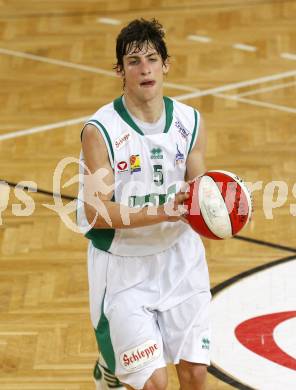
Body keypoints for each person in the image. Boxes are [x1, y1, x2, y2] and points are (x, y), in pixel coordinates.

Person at [77, 18, 211, 390]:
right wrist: (164, 212)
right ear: (120, 70)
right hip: (124, 269)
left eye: (152, 58)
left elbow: (199, 190)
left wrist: (221, 212)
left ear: (166, 65)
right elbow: (96, 213)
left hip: (180, 259)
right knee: (155, 384)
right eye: (133, 61)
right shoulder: (100, 131)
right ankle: (111, 367)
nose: (145, 68)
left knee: (196, 373)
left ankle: (114, 360)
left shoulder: (190, 121)